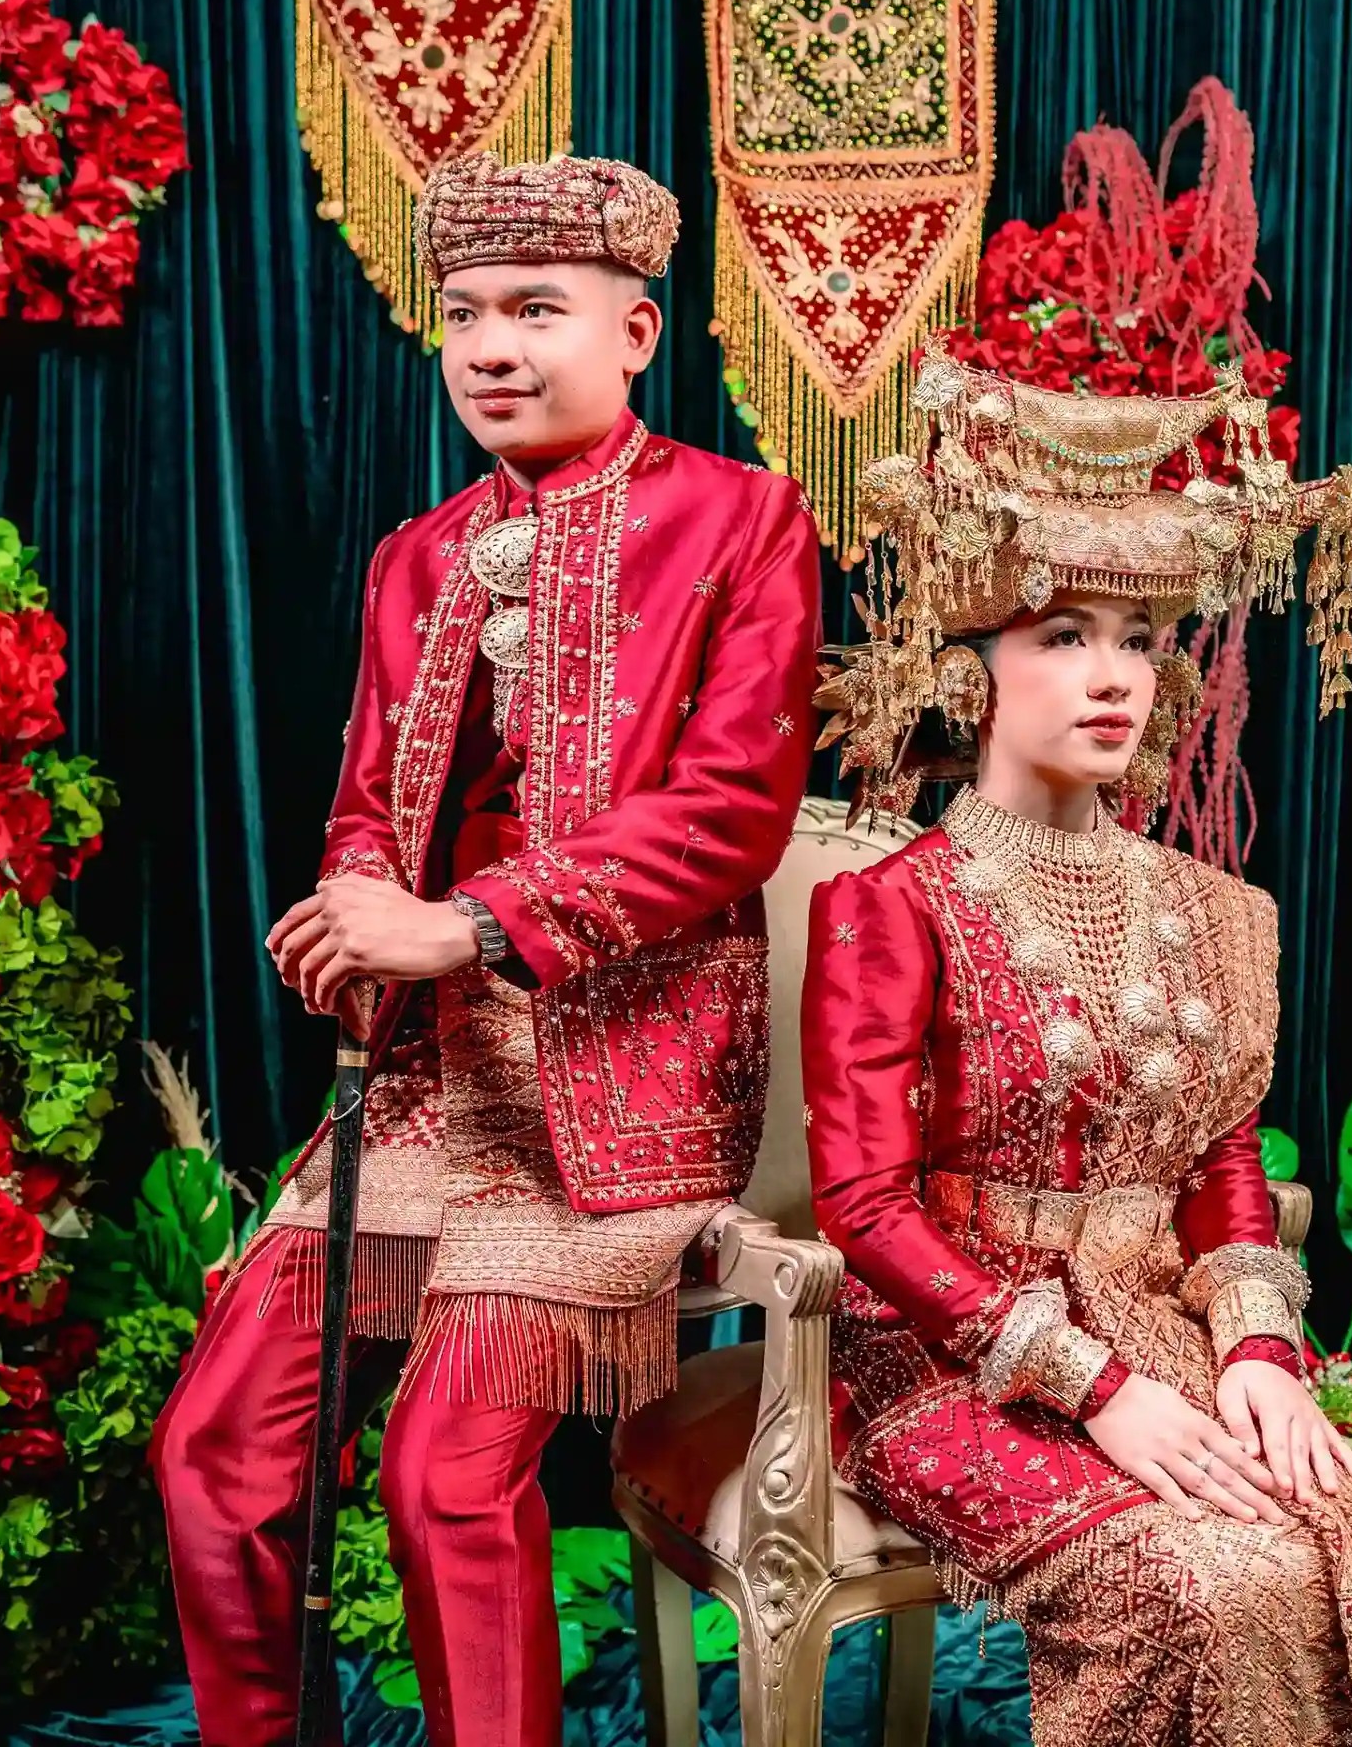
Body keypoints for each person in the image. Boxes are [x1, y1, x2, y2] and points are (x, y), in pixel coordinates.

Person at [152, 152, 822, 1746]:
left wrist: (458, 926)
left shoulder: (744, 519)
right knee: (216, 1457)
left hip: (623, 1095)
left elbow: (731, 812)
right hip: (420, 1091)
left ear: (635, 333)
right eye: (462, 315)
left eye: (536, 309)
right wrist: (348, 915)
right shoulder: (419, 553)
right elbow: (365, 802)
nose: (491, 349)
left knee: (442, 1477)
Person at [801, 340, 1352, 1743]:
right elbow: (863, 1207)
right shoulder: (891, 902)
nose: (1113, 677)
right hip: (943, 1357)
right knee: (1205, 1583)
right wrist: (1092, 1389)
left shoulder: (1215, 910)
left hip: (1164, 1324)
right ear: (975, 668)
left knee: (1312, 1551)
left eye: (1139, 639)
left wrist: (1258, 1351)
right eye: (1063, 635)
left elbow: (1220, 1166)